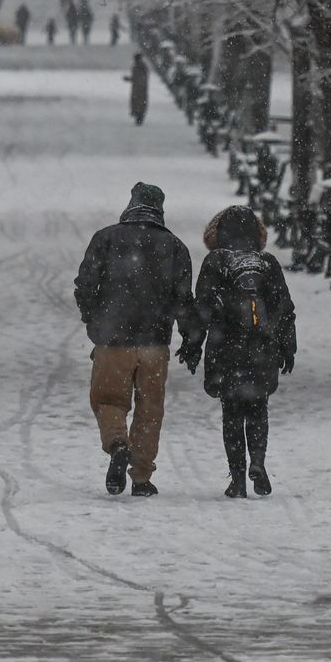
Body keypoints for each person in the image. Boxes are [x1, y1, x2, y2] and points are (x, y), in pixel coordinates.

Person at [74, 182, 196, 497]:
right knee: (150, 408)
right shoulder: (175, 247)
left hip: (113, 338)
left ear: (131, 205)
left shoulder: (105, 238)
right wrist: (191, 338)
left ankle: (118, 445)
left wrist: (93, 319)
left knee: (108, 400)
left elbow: (85, 284)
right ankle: (141, 477)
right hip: (155, 343)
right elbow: (184, 299)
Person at [180, 207, 296, 497]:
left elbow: (203, 307)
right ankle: (258, 460)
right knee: (258, 408)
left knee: (231, 413)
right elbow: (284, 309)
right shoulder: (268, 263)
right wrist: (287, 346)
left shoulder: (216, 261)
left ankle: (238, 479)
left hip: (225, 348)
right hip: (262, 346)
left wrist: (192, 345)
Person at [126, 52, 149, 126]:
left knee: (138, 102)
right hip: (140, 87)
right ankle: (139, 117)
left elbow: (138, 77)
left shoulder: (138, 66)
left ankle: (139, 117)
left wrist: (131, 79)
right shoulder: (141, 66)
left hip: (139, 88)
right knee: (140, 103)